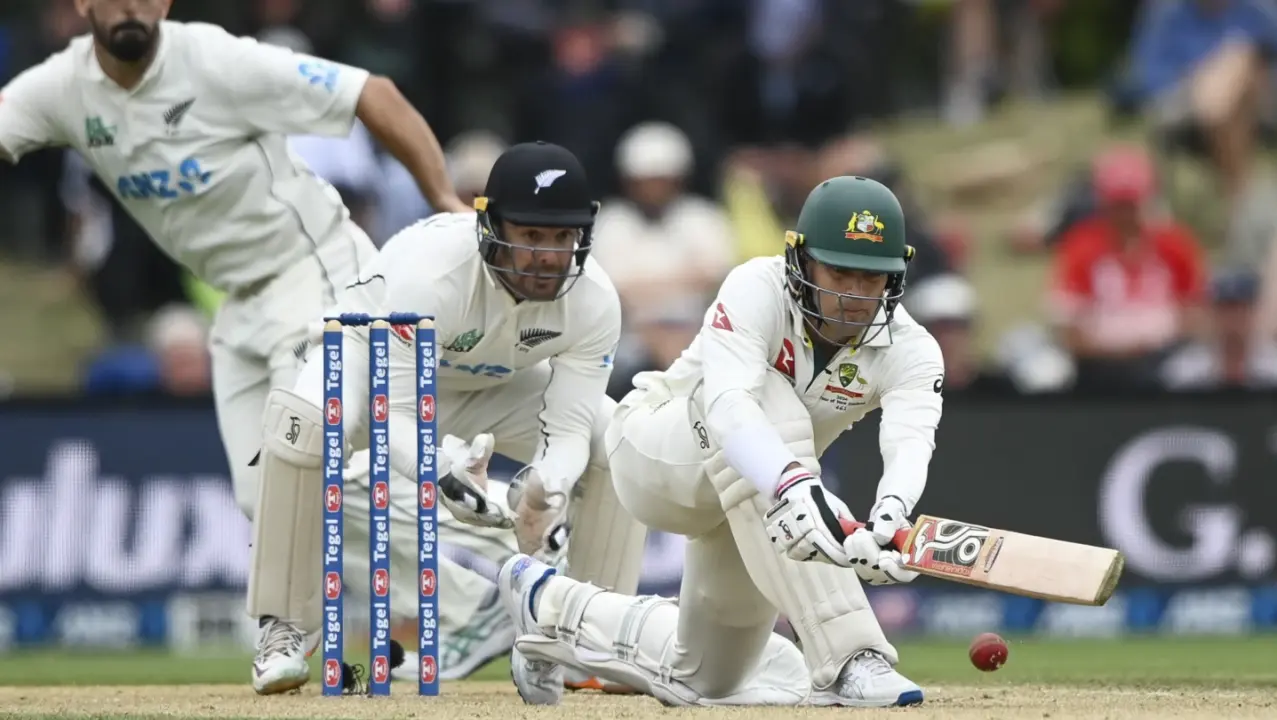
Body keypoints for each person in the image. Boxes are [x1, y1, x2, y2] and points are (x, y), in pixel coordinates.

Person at [0, 0, 468, 519]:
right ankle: (475, 591)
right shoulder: (61, 89)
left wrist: (444, 197)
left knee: (305, 468)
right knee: (262, 503)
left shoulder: (215, 60)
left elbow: (370, 92)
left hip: (313, 271)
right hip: (236, 301)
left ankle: (495, 547)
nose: (131, 6)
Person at [495, 176, 945, 708]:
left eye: (871, 280)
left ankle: (547, 604)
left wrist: (889, 519)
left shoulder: (911, 349)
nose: (852, 297)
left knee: (706, 679)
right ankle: (851, 657)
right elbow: (732, 410)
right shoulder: (757, 287)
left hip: (754, 498)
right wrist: (795, 488)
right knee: (769, 404)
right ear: (799, 261)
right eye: (840, 273)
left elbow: (909, 440)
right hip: (656, 451)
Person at [245, 142, 647, 695]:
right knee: (309, 417)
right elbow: (397, 415)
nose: (548, 256)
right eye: (530, 235)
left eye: (561, 237)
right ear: (490, 226)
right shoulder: (432, 274)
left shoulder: (595, 298)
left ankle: (591, 639)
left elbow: (572, 427)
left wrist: (545, 488)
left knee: (620, 436)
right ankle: (286, 627)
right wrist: (441, 471)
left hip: (494, 383)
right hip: (369, 365)